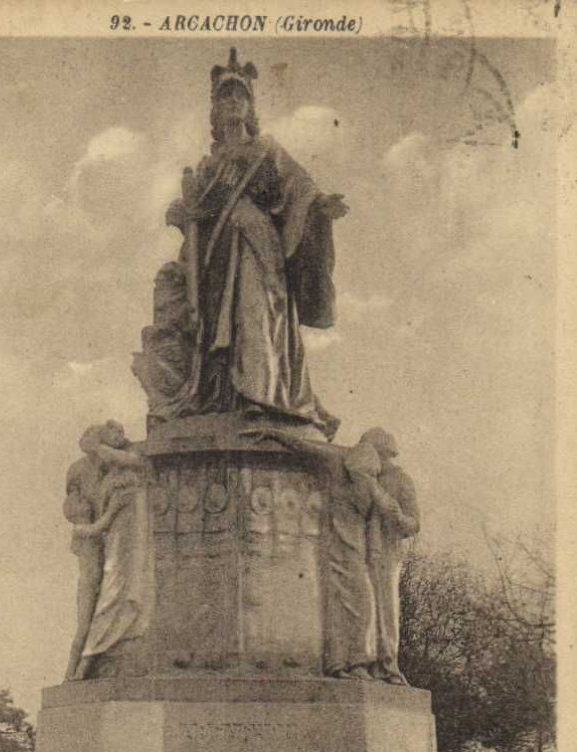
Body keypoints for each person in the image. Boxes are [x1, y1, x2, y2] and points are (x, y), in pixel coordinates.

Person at [146, 49, 347, 436]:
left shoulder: (266, 150)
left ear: (250, 106)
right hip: (217, 257)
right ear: (216, 112)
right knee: (216, 330)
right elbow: (198, 216)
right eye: (226, 97)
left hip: (257, 247)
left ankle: (262, 396)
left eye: (240, 95)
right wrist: (182, 217)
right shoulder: (208, 165)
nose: (233, 102)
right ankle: (225, 398)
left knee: (254, 318)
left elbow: (299, 186)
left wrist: (320, 206)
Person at [242, 425, 380, 679]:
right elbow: (306, 447)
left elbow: (393, 519)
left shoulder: (371, 488)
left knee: (362, 605)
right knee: (339, 606)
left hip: (356, 556)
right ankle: (341, 664)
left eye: (363, 475)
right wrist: (276, 434)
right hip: (331, 552)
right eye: (356, 472)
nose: (358, 477)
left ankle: (357, 662)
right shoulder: (338, 463)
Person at [63, 422, 153, 681]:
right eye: (112, 433)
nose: (120, 437)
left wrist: (96, 447)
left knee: (109, 603)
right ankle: (80, 667)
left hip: (120, 549)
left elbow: (134, 461)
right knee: (91, 617)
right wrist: (111, 511)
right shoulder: (83, 525)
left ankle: (80, 668)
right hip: (101, 564)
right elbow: (98, 525)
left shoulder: (120, 470)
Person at [360, 428, 420, 685]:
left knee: (386, 607)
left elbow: (413, 523)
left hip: (387, 550)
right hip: (359, 550)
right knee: (364, 607)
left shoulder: (401, 480)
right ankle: (365, 660)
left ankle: (387, 664)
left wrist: (393, 515)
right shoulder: (362, 478)